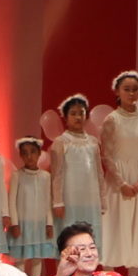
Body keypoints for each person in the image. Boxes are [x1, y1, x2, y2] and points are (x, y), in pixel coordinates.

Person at [95, 72, 138, 268]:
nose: (131, 93)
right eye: (127, 89)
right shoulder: (112, 120)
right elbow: (106, 155)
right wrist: (121, 183)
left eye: (135, 89)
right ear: (117, 92)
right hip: (118, 180)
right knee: (115, 226)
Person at [47, 93, 104, 246]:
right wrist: (58, 202)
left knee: (90, 234)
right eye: (73, 113)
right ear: (65, 117)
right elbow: (57, 174)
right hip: (70, 198)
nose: (78, 117)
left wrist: (102, 200)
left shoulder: (93, 142)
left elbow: (99, 173)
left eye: (81, 113)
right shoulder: (61, 142)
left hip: (90, 198)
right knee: (70, 234)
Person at [4, 135, 54, 276]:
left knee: (37, 257)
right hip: (22, 223)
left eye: (32, 152)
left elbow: (47, 201)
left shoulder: (45, 176)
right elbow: (11, 201)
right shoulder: (17, 175)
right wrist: (15, 224)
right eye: (25, 153)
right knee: (20, 257)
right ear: (20, 155)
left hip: (39, 223)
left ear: (39, 153)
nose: (29, 156)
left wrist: (49, 223)